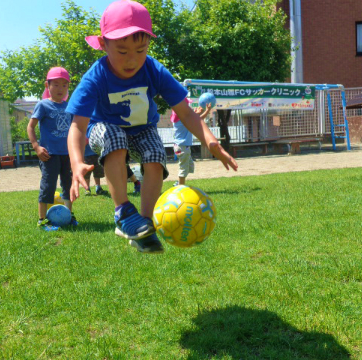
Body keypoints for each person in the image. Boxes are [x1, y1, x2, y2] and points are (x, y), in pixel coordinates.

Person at [66, 0, 238, 253]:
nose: (132, 60)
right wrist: (76, 162)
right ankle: (123, 212)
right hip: (103, 127)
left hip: (143, 129)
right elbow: (77, 126)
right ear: (103, 44)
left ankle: (144, 226)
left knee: (156, 154)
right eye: (122, 51)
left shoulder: (154, 70)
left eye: (141, 49)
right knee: (115, 138)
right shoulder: (96, 76)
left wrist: (211, 142)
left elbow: (186, 113)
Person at [27, 66, 78, 230]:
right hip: (49, 155)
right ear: (47, 85)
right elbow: (30, 127)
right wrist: (36, 147)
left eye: (64, 85)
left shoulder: (70, 107)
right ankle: (42, 220)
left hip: (67, 155)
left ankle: (69, 216)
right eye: (55, 84)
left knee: (68, 185)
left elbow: (74, 129)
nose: (60, 89)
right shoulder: (43, 105)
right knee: (48, 186)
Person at [171, 101, 212, 186]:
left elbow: (196, 119)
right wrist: (204, 112)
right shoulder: (182, 119)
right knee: (183, 169)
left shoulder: (180, 118)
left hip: (181, 147)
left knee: (189, 166)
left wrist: (196, 113)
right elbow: (198, 120)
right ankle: (180, 188)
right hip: (182, 148)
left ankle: (179, 182)